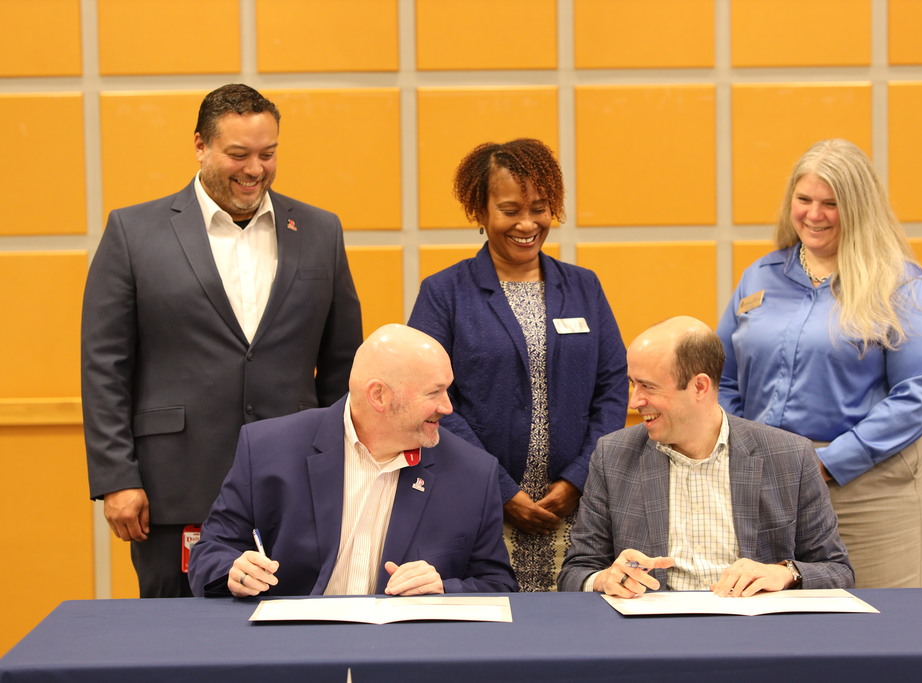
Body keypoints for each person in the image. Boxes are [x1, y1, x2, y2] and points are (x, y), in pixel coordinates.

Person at [81, 84, 363, 598]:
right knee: (174, 648)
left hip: (297, 486)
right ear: (200, 146)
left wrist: (346, 473)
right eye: (238, 154)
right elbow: (105, 365)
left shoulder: (321, 231)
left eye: (268, 153)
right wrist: (116, 477)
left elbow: (343, 366)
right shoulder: (132, 232)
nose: (255, 169)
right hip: (174, 490)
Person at [716, 139, 922, 588]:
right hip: (771, 484)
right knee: (786, 631)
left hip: (871, 488)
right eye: (803, 200)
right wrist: (749, 445)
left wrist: (830, 462)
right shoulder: (760, 276)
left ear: (859, 207)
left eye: (831, 203)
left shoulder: (899, 284)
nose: (814, 214)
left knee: (879, 630)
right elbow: (724, 376)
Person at [408, 138, 628, 591]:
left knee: (571, 637)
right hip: (476, 506)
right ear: (480, 211)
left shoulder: (585, 287)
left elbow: (612, 390)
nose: (528, 224)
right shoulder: (444, 294)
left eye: (540, 208)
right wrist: (502, 490)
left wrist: (579, 479)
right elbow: (429, 399)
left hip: (576, 511)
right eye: (510, 210)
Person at [188, 324, 517, 597]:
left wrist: (445, 588)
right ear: (379, 395)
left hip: (406, 653)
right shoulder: (267, 448)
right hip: (290, 646)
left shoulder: (474, 473)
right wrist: (234, 571)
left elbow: (498, 586)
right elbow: (211, 550)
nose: (447, 407)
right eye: (434, 393)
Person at [558, 317, 852, 598]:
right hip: (652, 634)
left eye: (648, 386)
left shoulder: (789, 456)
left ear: (700, 386)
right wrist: (603, 579)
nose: (634, 401)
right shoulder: (613, 455)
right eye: (633, 384)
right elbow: (576, 572)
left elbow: (837, 571)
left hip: (753, 632)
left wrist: (786, 572)